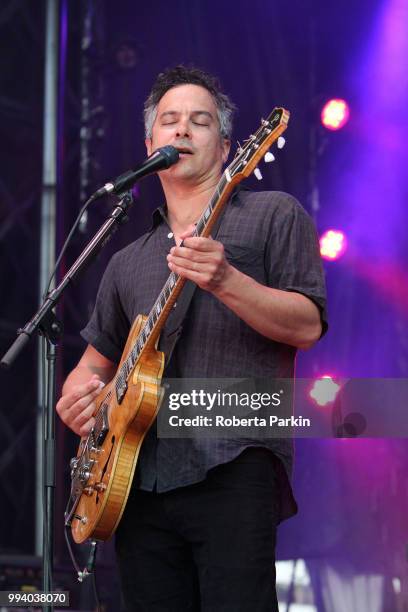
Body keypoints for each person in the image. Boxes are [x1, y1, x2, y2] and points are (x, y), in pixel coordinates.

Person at [56, 65, 328, 611]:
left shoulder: (275, 215)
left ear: (227, 145)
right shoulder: (127, 261)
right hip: (135, 482)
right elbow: (94, 364)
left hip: (232, 459)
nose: (182, 131)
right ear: (150, 143)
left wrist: (227, 280)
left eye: (199, 122)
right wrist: (78, 398)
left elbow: (307, 324)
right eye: (170, 121)